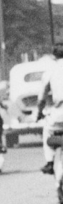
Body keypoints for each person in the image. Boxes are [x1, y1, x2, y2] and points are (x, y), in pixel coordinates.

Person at [39, 44, 63, 175]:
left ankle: (49, 162)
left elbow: (42, 95)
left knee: (47, 131)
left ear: (54, 56)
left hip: (58, 113)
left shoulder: (51, 70)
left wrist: (39, 112)